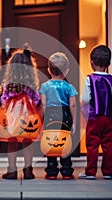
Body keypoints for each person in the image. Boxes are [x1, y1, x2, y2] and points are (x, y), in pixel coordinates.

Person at [79, 45, 112, 180]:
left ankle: (90, 172)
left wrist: (82, 105)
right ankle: (107, 172)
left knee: (92, 145)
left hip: (95, 118)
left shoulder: (90, 79)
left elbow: (86, 98)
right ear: (109, 64)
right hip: (109, 118)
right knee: (108, 145)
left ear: (91, 62)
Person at [0, 46, 40, 179]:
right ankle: (28, 171)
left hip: (11, 120)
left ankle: (12, 170)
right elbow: (36, 99)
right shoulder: (31, 84)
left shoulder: (8, 84)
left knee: (12, 144)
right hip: (27, 119)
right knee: (28, 143)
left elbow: (3, 100)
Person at [39, 52, 78, 180]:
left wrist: (41, 121)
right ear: (66, 71)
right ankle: (67, 171)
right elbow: (72, 105)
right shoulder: (69, 87)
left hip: (50, 115)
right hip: (65, 115)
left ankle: (51, 171)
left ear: (49, 70)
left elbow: (43, 104)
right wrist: (74, 123)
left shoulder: (45, 86)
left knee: (51, 142)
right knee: (64, 142)